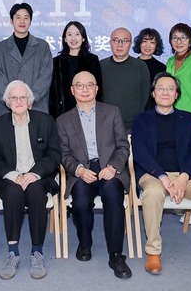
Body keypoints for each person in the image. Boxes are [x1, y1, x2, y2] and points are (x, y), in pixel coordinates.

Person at [132, 72, 191, 276]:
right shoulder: (141, 119)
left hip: (185, 175)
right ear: (153, 93)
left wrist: (184, 177)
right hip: (153, 174)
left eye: (170, 89)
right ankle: (153, 251)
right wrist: (163, 177)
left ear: (177, 95)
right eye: (160, 88)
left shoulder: (188, 119)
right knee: (152, 194)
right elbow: (140, 152)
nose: (165, 92)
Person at [57, 71, 131, 279]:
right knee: (80, 201)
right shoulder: (63, 120)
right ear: (72, 90)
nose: (85, 89)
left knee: (113, 195)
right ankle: (85, 243)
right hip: (82, 170)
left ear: (96, 89)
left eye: (90, 85)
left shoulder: (112, 112)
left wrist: (113, 167)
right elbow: (64, 154)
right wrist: (79, 170)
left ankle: (116, 255)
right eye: (79, 85)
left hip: (109, 167)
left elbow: (123, 146)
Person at [0, 80, 61, 280]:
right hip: (9, 177)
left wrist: (35, 173)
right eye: (14, 98)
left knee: (36, 192)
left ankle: (37, 252)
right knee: (13, 192)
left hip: (38, 176)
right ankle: (13, 252)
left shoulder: (46, 121)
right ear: (7, 102)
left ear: (30, 102)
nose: (19, 101)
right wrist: (14, 176)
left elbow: (54, 154)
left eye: (23, 98)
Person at [0, 3, 53, 116]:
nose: (22, 21)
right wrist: (12, 100)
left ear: (31, 21)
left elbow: (46, 76)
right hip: (9, 109)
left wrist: (31, 98)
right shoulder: (1, 48)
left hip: (36, 106)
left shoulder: (42, 46)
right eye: (18, 17)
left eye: (26, 17)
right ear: (11, 21)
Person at [49, 21, 103, 119]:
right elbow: (53, 93)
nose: (73, 38)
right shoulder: (56, 62)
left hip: (88, 113)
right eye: (69, 35)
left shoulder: (92, 60)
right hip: (63, 114)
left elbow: (98, 90)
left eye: (77, 34)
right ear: (65, 39)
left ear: (83, 38)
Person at [100, 27, 150, 132]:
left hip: (133, 126)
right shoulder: (100, 66)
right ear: (110, 43)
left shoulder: (140, 66)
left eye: (125, 41)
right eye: (116, 40)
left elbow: (144, 96)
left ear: (130, 44)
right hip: (106, 126)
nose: (120, 44)